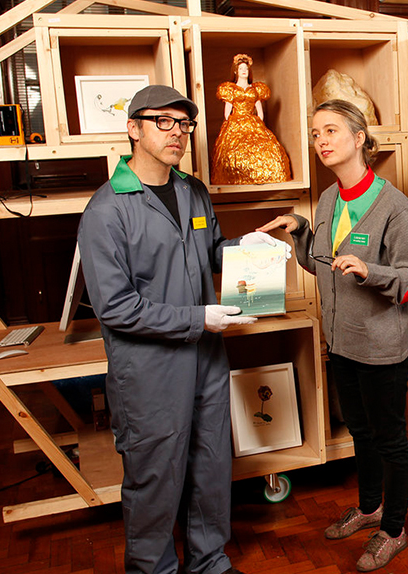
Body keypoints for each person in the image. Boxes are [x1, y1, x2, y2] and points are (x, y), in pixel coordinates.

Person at [78, 84, 276, 574]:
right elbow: (117, 308)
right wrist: (198, 319)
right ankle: (153, 569)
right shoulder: (107, 211)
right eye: (163, 122)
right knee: (155, 480)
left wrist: (247, 248)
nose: (178, 133)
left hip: (206, 360)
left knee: (210, 467)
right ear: (133, 129)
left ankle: (209, 562)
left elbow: (208, 255)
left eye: (184, 124)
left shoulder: (192, 190)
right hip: (149, 370)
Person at [258, 99, 408, 571]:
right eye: (315, 134)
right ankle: (370, 506)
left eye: (331, 131)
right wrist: (299, 233)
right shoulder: (329, 200)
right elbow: (321, 267)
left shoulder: (394, 206)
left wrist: (371, 271)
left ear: (359, 139)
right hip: (342, 342)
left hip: (382, 347)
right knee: (360, 432)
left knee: (389, 439)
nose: (321, 141)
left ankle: (392, 530)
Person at [211, 53, 292, 185]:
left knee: (266, 148)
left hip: (252, 121)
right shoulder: (230, 89)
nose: (244, 71)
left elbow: (259, 111)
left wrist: (259, 124)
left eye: (246, 69)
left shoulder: (255, 89)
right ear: (236, 71)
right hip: (235, 121)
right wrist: (230, 124)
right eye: (241, 69)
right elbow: (227, 111)